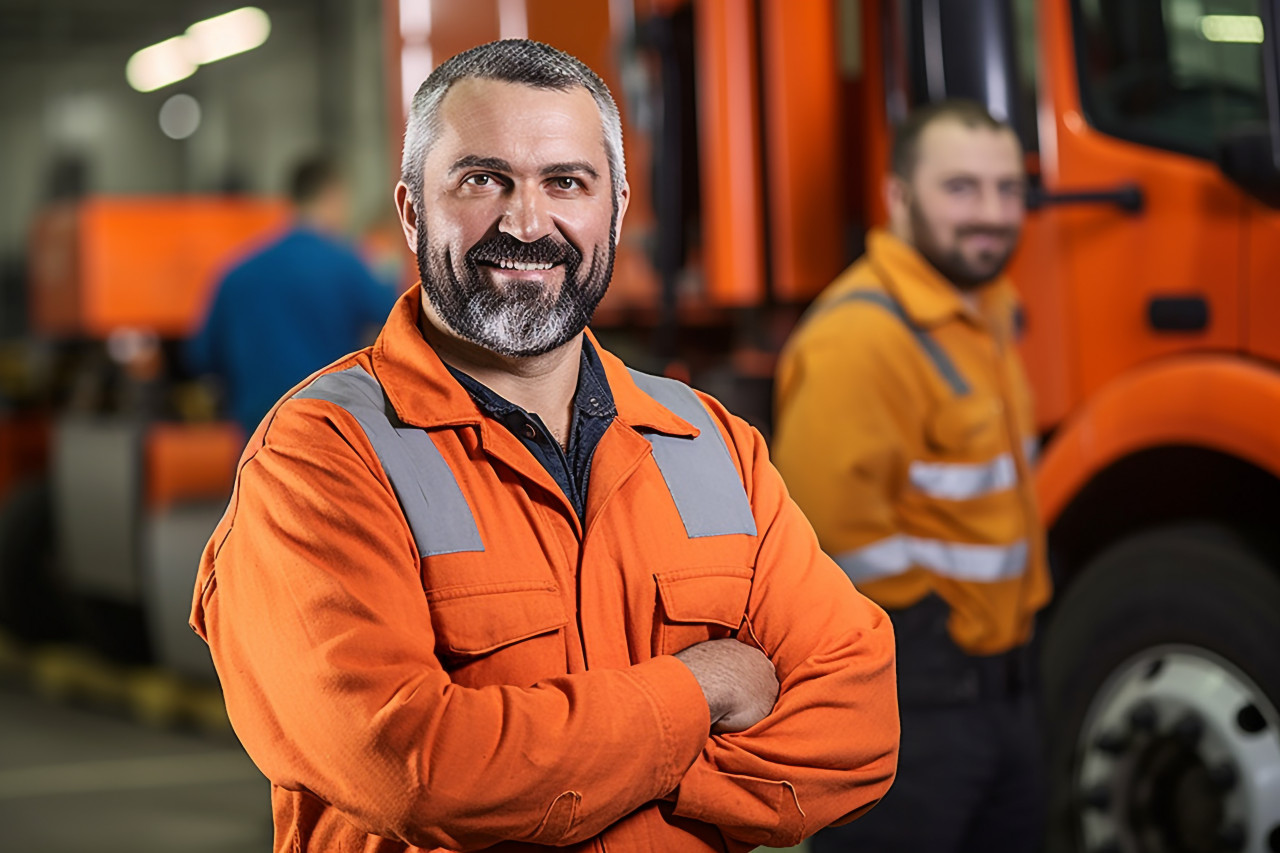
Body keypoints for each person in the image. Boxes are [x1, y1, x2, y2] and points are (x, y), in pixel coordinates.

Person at [190, 39, 898, 853]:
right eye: (482, 179)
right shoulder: (320, 456)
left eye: (566, 182)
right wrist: (701, 691)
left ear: (618, 210)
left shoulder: (708, 440)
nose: (526, 223)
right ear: (413, 209)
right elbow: (414, 770)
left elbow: (861, 724)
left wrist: (611, 779)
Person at [773, 99, 1051, 853]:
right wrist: (932, 637)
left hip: (1003, 685)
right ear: (899, 198)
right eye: (960, 189)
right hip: (916, 702)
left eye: (1006, 188)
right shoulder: (859, 337)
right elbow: (827, 535)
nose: (991, 214)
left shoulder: (987, 309)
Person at [187, 157, 399, 438]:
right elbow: (398, 327)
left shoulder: (237, 273)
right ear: (332, 195)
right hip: (330, 429)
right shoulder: (348, 266)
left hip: (257, 435)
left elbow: (202, 357)